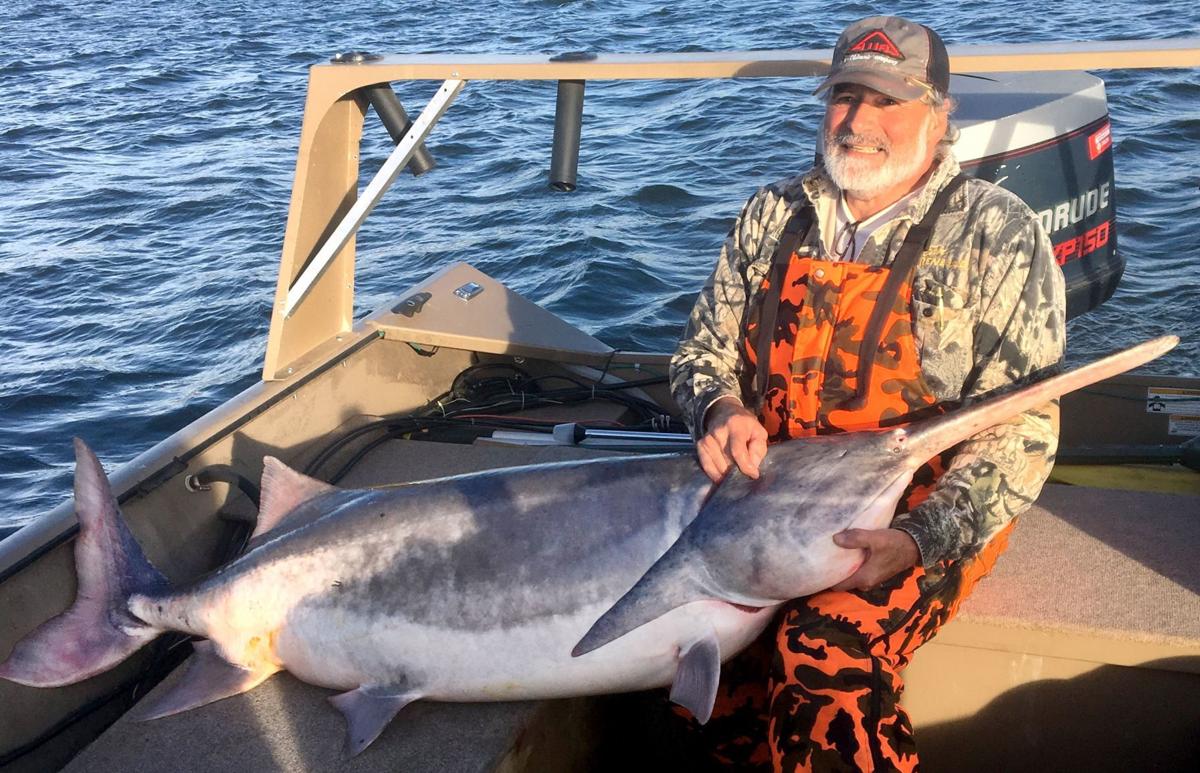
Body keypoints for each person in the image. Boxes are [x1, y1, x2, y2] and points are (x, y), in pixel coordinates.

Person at [668, 15, 1066, 772]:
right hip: (772, 496)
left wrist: (923, 538)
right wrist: (718, 407)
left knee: (824, 646)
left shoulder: (999, 233)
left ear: (940, 115)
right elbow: (699, 354)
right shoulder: (771, 214)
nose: (857, 122)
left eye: (887, 101)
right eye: (845, 97)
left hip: (922, 504)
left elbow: (1023, 432)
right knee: (709, 674)